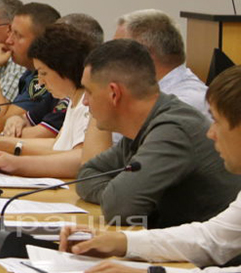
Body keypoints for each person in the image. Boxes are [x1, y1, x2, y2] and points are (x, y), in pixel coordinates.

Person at [61, 66, 241, 273]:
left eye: (217, 121)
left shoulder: (174, 126)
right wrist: (122, 242)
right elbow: (211, 238)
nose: (211, 133)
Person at [75, 39, 239, 229]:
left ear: (114, 93)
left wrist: (124, 195)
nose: (85, 102)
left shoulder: (174, 128)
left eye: (89, 91)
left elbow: (119, 207)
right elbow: (87, 175)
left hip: (204, 255)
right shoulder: (143, 127)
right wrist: (116, 192)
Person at [0, 23, 97, 178]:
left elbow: (80, 158)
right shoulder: (73, 98)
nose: (41, 82)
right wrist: (2, 142)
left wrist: (16, 157)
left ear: (65, 68)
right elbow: (58, 144)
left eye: (43, 73)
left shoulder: (88, 102)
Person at [0, 2, 63, 135]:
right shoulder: (30, 73)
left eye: (18, 35)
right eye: (10, 32)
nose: (9, 41)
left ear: (41, 41)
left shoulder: (46, 79)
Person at [114, 9, 209, 120]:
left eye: (118, 51)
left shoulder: (184, 102)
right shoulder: (149, 94)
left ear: (144, 56)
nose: (112, 60)